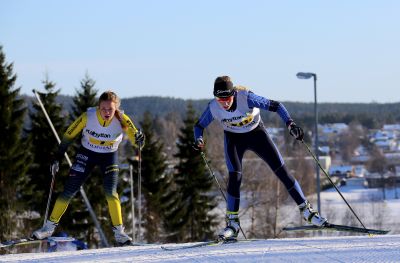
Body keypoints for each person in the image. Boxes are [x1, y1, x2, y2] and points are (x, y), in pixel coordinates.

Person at [193, 76, 327, 240]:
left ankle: (306, 211)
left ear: (233, 94)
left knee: (281, 170)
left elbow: (277, 106)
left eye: (227, 98)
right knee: (235, 176)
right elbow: (198, 126)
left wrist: (290, 124)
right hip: (234, 139)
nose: (224, 103)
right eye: (220, 99)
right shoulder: (213, 107)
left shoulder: (246, 98)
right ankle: (233, 224)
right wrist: (199, 139)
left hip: (257, 134)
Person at [32, 91, 145, 246]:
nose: (106, 112)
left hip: (109, 156)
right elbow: (68, 135)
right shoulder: (88, 117)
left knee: (111, 192)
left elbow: (135, 140)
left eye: (110, 109)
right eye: (103, 109)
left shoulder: (122, 120)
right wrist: (58, 156)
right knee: (68, 190)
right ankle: (48, 228)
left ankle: (119, 233)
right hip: (87, 153)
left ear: (116, 109)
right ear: (98, 107)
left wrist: (139, 140)